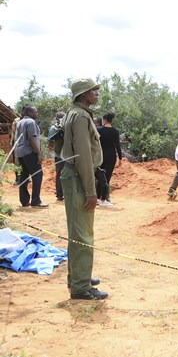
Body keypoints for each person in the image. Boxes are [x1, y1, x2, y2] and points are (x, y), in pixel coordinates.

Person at [61, 78, 106, 299]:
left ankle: (78, 277)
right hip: (79, 177)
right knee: (82, 234)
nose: (97, 93)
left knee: (77, 231)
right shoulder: (80, 116)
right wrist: (91, 190)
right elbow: (84, 156)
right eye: (93, 90)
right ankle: (81, 287)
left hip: (74, 175)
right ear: (82, 94)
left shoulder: (76, 113)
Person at [15, 106, 47, 208]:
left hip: (20, 152)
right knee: (37, 174)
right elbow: (31, 139)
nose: (37, 114)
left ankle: (24, 201)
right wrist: (38, 153)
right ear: (29, 113)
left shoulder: (19, 122)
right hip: (29, 151)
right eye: (35, 112)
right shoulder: (31, 122)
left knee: (24, 176)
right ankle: (36, 200)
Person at [96, 112, 123, 206]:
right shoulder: (115, 131)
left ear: (104, 120)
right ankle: (103, 199)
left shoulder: (98, 130)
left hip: (100, 155)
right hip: (111, 156)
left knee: (99, 176)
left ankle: (97, 198)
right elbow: (117, 145)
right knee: (107, 177)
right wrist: (120, 158)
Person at [47, 111, 66, 201]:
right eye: (61, 117)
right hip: (59, 155)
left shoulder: (68, 127)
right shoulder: (53, 128)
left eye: (64, 117)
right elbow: (50, 141)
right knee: (60, 175)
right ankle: (59, 194)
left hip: (70, 155)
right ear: (57, 118)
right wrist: (51, 152)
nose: (62, 118)